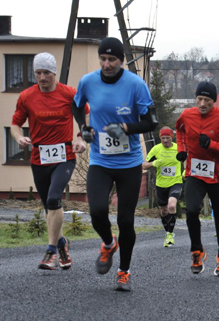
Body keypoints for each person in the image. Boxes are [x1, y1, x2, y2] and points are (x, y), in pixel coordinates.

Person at [72, 37, 158, 291]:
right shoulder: (88, 81)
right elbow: (76, 106)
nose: (107, 64)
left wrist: (125, 127)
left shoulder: (135, 84)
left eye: (112, 59)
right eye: (103, 59)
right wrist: (84, 128)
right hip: (100, 159)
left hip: (129, 162)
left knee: (125, 220)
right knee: (97, 211)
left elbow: (151, 122)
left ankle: (123, 271)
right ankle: (109, 244)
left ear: (121, 60)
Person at [11, 52, 87, 271]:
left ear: (54, 73)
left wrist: (81, 138)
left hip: (64, 156)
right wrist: (19, 138)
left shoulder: (69, 94)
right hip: (39, 157)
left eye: (46, 73)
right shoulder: (26, 96)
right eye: (38, 73)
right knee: (48, 208)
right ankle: (62, 245)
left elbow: (85, 117)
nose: (42, 78)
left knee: (54, 199)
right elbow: (16, 123)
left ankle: (51, 252)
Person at [175, 81, 219, 277]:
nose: (202, 103)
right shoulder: (187, 115)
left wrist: (212, 145)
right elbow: (179, 130)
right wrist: (181, 150)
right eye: (199, 99)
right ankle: (197, 251)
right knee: (192, 210)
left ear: (214, 101)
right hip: (195, 173)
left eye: (207, 100)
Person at [142, 126, 182, 247]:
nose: (165, 141)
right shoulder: (156, 149)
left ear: (172, 138)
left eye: (167, 138)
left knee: (171, 205)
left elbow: (187, 160)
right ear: (160, 138)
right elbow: (144, 165)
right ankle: (167, 232)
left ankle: (170, 234)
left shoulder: (178, 148)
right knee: (163, 211)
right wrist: (153, 163)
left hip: (176, 181)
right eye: (163, 138)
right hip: (161, 184)